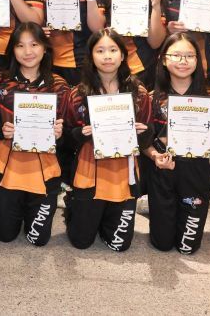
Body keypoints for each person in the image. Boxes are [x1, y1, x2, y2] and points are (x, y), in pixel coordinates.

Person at [64, 28, 153, 252]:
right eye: (100, 50)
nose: (107, 56)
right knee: (81, 242)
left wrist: (143, 133)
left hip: (124, 172)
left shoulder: (139, 92)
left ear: (123, 55)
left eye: (113, 50)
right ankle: (74, 205)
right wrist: (78, 134)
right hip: (88, 170)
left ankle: (105, 214)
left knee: (119, 245)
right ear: (91, 56)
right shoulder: (77, 93)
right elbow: (66, 138)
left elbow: (146, 137)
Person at [145, 32, 210, 254]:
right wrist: (156, 156)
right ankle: (153, 208)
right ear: (164, 60)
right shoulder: (151, 98)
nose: (183, 61)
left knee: (188, 247)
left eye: (189, 56)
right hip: (163, 175)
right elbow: (144, 142)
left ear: (198, 61)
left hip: (195, 176)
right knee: (162, 245)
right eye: (176, 55)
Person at [0, 22, 70, 246]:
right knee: (5, 236)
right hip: (7, 167)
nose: (28, 52)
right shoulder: (0, 81)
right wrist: (1, 130)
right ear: (12, 50)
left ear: (45, 47)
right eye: (20, 46)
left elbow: (70, 136)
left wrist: (60, 134)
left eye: (34, 44)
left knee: (38, 240)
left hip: (44, 170)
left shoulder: (60, 86)